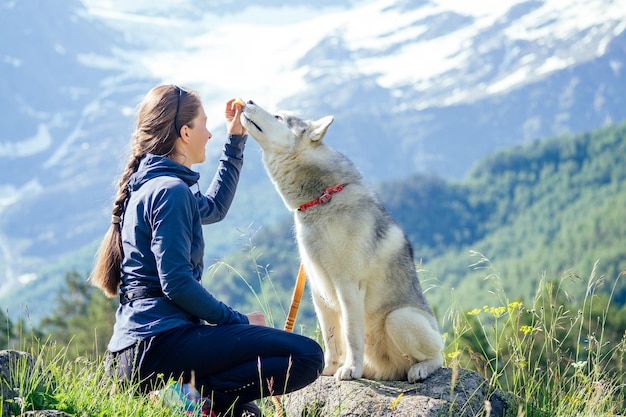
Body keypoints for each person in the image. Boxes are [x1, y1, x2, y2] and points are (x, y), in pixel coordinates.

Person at [90, 85, 324, 416]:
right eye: (204, 125)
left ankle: (189, 398)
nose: (209, 134)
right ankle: (180, 397)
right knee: (308, 356)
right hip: (158, 346)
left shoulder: (149, 187)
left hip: (134, 352)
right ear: (185, 132)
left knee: (246, 413)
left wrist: (235, 139)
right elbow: (177, 284)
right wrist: (240, 322)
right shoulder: (170, 191)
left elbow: (214, 206)